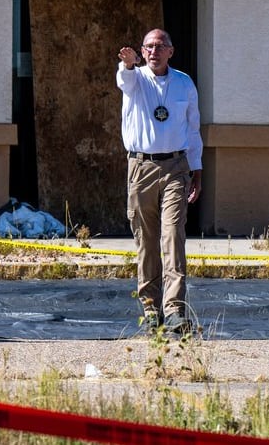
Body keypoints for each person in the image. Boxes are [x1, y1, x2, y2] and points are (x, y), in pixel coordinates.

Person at [116, 28, 203, 335]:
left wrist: (197, 169)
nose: (153, 51)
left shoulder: (184, 83)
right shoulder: (135, 78)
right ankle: (151, 308)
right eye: (148, 47)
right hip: (141, 167)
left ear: (170, 51)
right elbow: (124, 81)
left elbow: (193, 129)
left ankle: (175, 308)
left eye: (159, 46)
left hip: (176, 167)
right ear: (142, 52)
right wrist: (127, 64)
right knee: (147, 240)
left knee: (173, 235)